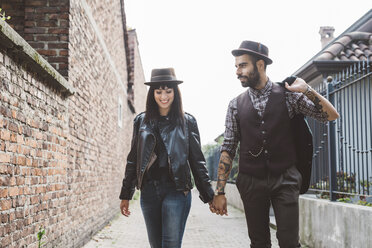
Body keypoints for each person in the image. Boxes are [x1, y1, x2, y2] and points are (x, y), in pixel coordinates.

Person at [211, 40, 339, 247]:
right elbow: (228, 148)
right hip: (251, 180)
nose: (237, 71)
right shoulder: (235, 105)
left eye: (242, 65)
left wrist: (306, 89)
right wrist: (220, 192)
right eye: (236, 66)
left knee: (289, 242)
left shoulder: (289, 96)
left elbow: (331, 115)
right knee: (259, 242)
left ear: (260, 64)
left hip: (285, 178)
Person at [119, 68, 214, 248]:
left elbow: (197, 162)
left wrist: (209, 195)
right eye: (159, 91)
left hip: (177, 190)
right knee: (156, 245)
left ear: (175, 93)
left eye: (168, 91)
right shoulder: (141, 121)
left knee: (170, 244)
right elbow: (133, 159)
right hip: (149, 191)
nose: (164, 96)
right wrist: (126, 194)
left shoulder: (187, 122)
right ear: (152, 93)